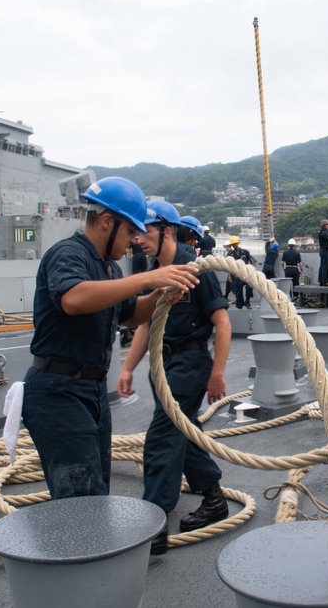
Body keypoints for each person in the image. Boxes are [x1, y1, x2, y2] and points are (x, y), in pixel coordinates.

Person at [22, 177, 200, 502]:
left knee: (96, 490)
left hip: (91, 391)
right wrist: (146, 277)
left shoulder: (109, 269)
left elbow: (130, 315)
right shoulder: (67, 254)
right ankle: (80, 550)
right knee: (81, 499)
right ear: (107, 221)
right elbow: (73, 299)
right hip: (57, 391)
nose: (133, 241)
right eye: (131, 231)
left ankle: (92, 549)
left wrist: (158, 296)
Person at [117, 200, 231, 556]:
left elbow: (223, 323)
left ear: (166, 230)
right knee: (182, 431)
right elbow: (146, 324)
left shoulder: (196, 269)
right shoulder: (154, 270)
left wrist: (217, 374)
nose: (137, 240)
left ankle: (153, 526)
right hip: (162, 366)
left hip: (190, 364)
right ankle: (214, 498)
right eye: (134, 233)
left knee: (160, 441)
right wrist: (127, 367)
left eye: (144, 232)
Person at [225, 236, 254, 309]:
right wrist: (230, 276)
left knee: (249, 287)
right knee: (238, 291)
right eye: (233, 244)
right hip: (236, 275)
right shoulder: (230, 254)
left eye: (235, 243)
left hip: (246, 273)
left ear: (238, 243)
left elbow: (251, 260)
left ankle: (247, 301)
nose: (234, 245)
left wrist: (252, 270)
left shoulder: (245, 252)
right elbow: (229, 266)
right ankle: (240, 304)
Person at [317, 219, 328, 285]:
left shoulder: (320, 232)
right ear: (324, 225)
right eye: (327, 225)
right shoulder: (325, 233)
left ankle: (321, 280)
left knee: (322, 265)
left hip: (322, 250)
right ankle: (325, 281)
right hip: (325, 250)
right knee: (326, 266)